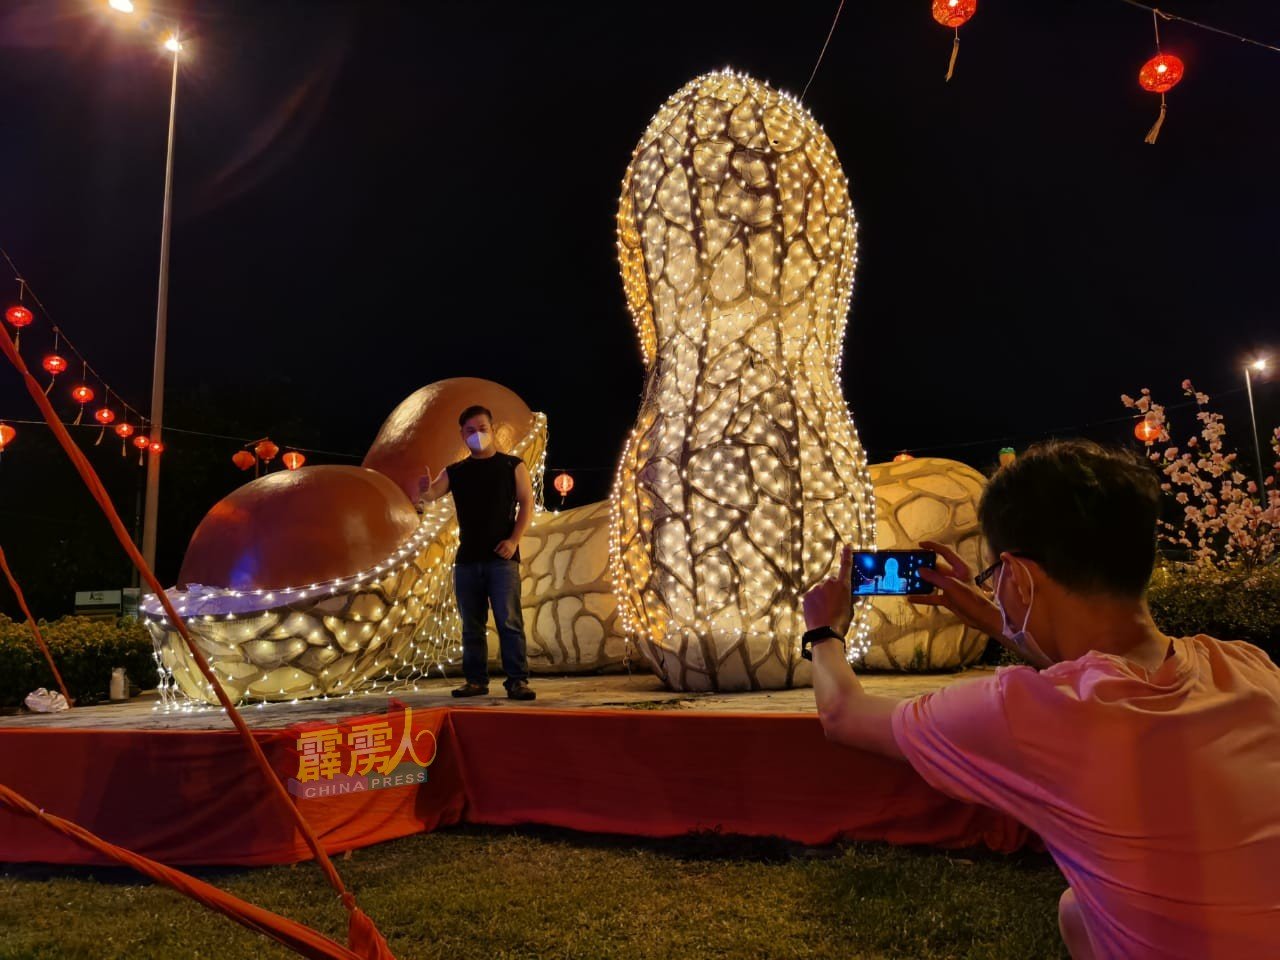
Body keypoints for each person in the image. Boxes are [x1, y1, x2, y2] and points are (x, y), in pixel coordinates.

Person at [801, 440, 1280, 959]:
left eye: (994, 576)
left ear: (1020, 576)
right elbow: (1101, 677)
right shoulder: (1248, 667)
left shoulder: (1025, 712)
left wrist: (824, 629)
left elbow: (843, 715)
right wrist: (993, 615)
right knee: (1077, 908)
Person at [417, 404, 536, 701]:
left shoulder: (512, 465)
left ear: (493, 430)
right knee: (471, 625)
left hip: (502, 558)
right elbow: (431, 494)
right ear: (462, 435)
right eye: (470, 431)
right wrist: (424, 490)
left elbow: (527, 504)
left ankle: (517, 681)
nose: (477, 435)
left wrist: (514, 540)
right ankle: (475, 681)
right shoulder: (455, 471)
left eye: (482, 429)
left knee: (509, 621)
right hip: (468, 559)